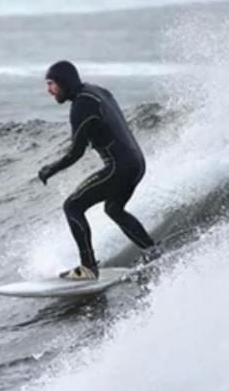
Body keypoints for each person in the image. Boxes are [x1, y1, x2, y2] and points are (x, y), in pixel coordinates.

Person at [39, 60, 163, 280]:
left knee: (72, 206)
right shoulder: (97, 91)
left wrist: (51, 169)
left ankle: (87, 268)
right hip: (136, 162)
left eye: (51, 84)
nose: (49, 90)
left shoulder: (81, 106)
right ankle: (151, 250)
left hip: (119, 167)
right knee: (114, 208)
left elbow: (75, 153)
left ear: (63, 82)